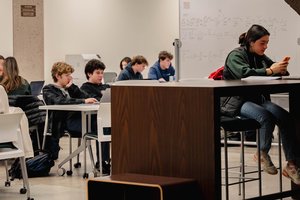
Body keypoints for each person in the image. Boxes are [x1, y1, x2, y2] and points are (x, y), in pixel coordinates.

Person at [222, 24, 300, 185]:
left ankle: (291, 164)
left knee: (285, 117)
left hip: (258, 99)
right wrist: (271, 71)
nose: (265, 46)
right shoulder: (235, 55)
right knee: (265, 117)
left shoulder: (260, 56)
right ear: (251, 41)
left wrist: (282, 68)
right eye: (262, 43)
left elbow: (273, 68)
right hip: (237, 101)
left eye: (267, 42)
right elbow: (244, 73)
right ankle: (262, 153)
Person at [43, 61, 97, 159]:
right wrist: (83, 101)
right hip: (64, 124)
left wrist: (72, 88)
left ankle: (102, 162)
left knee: (102, 125)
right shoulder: (48, 89)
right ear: (58, 76)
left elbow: (86, 97)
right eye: (67, 75)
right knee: (99, 126)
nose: (70, 78)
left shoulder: (69, 88)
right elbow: (60, 101)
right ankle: (101, 162)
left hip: (77, 120)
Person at [80, 59, 111, 173]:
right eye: (97, 73)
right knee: (104, 127)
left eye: (102, 73)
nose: (100, 75)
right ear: (89, 74)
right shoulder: (85, 88)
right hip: (91, 120)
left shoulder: (106, 87)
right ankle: (103, 161)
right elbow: (93, 101)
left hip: (105, 118)